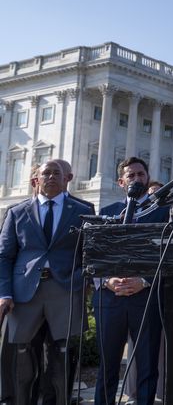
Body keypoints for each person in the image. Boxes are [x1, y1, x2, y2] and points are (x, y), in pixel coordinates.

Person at [0, 160, 95, 405]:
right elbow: (4, 256)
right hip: (24, 294)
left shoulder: (83, 210)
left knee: (61, 355)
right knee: (23, 355)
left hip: (64, 290)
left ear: (67, 179)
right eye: (46, 173)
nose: (51, 177)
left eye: (56, 173)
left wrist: (81, 280)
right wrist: (4, 293)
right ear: (36, 180)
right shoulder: (16, 212)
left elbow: (90, 251)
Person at [94, 157, 169, 405]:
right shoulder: (107, 213)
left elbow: (168, 255)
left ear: (147, 179)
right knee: (108, 365)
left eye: (140, 175)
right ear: (120, 182)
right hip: (110, 298)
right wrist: (107, 280)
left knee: (147, 364)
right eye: (131, 175)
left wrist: (145, 280)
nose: (136, 179)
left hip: (145, 297)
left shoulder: (163, 213)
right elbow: (94, 255)